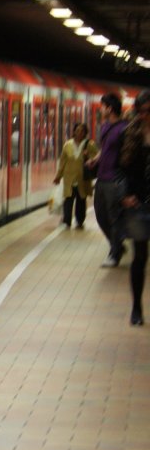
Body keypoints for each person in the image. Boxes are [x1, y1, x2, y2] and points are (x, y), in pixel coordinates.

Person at [118, 89, 150, 325]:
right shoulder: (130, 134)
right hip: (138, 203)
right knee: (139, 256)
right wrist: (125, 194)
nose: (146, 116)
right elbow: (121, 169)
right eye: (143, 112)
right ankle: (136, 308)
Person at [90, 93, 129, 267]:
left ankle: (115, 253)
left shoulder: (124, 129)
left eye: (103, 106)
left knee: (114, 217)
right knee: (100, 215)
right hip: (101, 177)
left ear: (110, 108)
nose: (101, 109)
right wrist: (96, 159)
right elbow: (104, 149)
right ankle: (117, 244)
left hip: (114, 179)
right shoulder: (105, 126)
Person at [53, 122, 97, 229]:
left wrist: (88, 156)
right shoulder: (67, 145)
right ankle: (66, 220)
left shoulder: (90, 145)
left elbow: (96, 158)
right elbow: (62, 162)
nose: (79, 133)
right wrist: (58, 176)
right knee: (68, 200)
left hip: (83, 178)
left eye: (82, 131)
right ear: (73, 132)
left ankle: (80, 220)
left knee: (81, 200)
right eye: (77, 131)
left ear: (85, 133)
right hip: (69, 178)